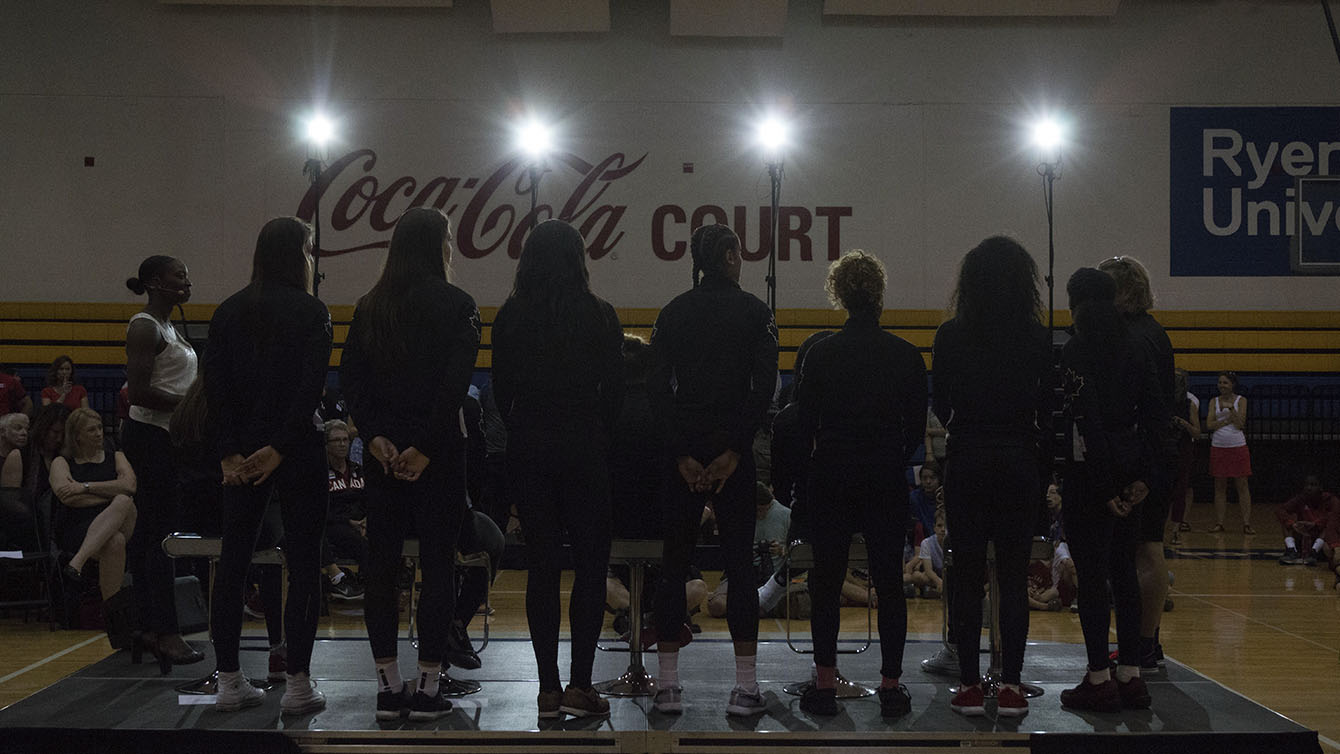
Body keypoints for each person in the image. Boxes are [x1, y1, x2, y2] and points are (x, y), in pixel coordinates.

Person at [341, 207, 480, 722]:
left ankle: (387, 686)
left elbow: (351, 378)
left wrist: (375, 435)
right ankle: (427, 688)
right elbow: (454, 386)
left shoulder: (370, 305)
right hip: (437, 455)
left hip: (383, 456)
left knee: (381, 567)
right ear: (439, 245)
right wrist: (424, 447)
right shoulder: (459, 304)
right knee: (438, 566)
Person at [492, 218, 622, 719]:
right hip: (584, 444)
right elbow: (613, 393)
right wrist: (595, 433)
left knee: (541, 568)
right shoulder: (600, 314)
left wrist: (526, 426)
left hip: (530, 446)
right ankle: (580, 685)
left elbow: (502, 391)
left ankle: (547, 689)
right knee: (590, 566)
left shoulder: (510, 315)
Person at [647, 223, 778, 717]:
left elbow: (657, 389)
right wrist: (735, 452)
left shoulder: (672, 312)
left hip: (683, 455)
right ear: (728, 256)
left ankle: (667, 687)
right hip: (732, 454)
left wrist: (682, 454)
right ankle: (746, 689)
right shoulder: (756, 312)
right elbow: (763, 387)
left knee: (673, 566)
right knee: (740, 569)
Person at [205, 217, 333, 714]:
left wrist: (228, 452)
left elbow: (215, 390)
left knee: (233, 563)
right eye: (309, 249)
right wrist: (280, 447)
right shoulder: (312, 311)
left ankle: (229, 681)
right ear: (298, 253)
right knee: (304, 564)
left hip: (240, 453)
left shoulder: (227, 311)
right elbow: (309, 389)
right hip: (296, 449)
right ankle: (298, 685)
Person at [794, 249, 925, 718]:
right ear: (880, 295)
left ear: (839, 295)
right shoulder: (906, 355)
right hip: (884, 474)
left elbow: (803, 421)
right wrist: (890, 454)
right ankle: (891, 686)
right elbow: (915, 430)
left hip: (832, 472)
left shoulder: (821, 353)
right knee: (889, 582)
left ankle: (824, 685)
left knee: (826, 581)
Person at [932, 236, 1052, 717]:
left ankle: (967, 684)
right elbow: (1047, 404)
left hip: (968, 457)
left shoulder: (951, 334)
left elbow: (942, 402)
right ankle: (1011, 686)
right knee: (1013, 576)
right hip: (1019, 457)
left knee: (966, 576)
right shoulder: (1037, 337)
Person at [1056, 268, 1162, 713]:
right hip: (1132, 471)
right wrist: (1143, 480)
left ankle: (1098, 678)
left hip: (1090, 478)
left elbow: (1086, 423)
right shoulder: (1137, 346)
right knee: (1125, 574)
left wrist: (1103, 489)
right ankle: (1131, 675)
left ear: (1077, 304)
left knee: (1093, 579)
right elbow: (1157, 416)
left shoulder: (1076, 349)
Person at [121, 255, 205, 671]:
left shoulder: (169, 326)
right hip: (150, 436)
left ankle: (147, 625)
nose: (186, 282)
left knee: (151, 534)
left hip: (168, 436)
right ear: (155, 281)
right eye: (179, 276)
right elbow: (138, 393)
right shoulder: (144, 327)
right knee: (160, 535)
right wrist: (191, 406)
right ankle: (166, 632)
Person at [1098, 255, 1177, 670]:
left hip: (1147, 454)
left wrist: (1142, 467)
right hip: (1156, 451)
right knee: (1147, 546)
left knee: (1146, 548)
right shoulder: (1153, 331)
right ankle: (1148, 640)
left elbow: (1147, 406)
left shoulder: (1134, 337)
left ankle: (1144, 642)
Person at [49, 409, 138, 642]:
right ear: (77, 435)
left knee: (124, 501)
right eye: (91, 430)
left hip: (121, 518)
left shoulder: (116, 456)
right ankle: (113, 619)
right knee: (115, 540)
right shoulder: (62, 462)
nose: (99, 433)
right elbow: (67, 497)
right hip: (78, 527)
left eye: (99, 428)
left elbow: (129, 486)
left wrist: (85, 487)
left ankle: (77, 563)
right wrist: (109, 492)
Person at [322, 419, 367, 601]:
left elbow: (369, 500)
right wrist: (348, 522)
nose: (342, 444)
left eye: (345, 440)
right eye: (336, 440)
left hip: (360, 523)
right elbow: (320, 509)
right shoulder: (320, 472)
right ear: (326, 445)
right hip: (334, 524)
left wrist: (367, 520)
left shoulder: (358, 470)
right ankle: (340, 579)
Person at [1207, 371, 1254, 534]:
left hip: (1237, 445)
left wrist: (1231, 409)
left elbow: (1240, 424)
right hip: (1218, 445)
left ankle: (1246, 523)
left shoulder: (1242, 400)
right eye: (1220, 382)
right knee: (1219, 485)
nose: (1222, 385)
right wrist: (1227, 420)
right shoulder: (1213, 401)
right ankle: (1219, 523)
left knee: (1242, 485)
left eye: (1225, 382)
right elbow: (1209, 425)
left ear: (1232, 384)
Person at [1167, 368, 1201, 545]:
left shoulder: (1190, 404)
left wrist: (1184, 424)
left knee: (1181, 490)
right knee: (1162, 489)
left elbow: (1197, 432)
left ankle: (1175, 529)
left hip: (1183, 449)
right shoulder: (1162, 401)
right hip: (1166, 449)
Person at [1276, 474, 1339, 565]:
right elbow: (1281, 510)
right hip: (1305, 534)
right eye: (1307, 485)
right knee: (1287, 523)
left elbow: (1334, 519)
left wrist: (1315, 524)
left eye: (1313, 485)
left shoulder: (1331, 500)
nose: (1309, 488)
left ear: (1320, 487)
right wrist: (1292, 524)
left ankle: (1314, 553)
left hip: (1323, 537)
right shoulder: (1300, 499)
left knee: (1328, 528)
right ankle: (1292, 550)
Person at [906, 507, 947, 599]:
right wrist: (939, 582)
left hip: (950, 576)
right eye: (939, 526)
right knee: (917, 576)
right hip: (935, 577)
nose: (943, 529)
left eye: (946, 526)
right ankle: (940, 589)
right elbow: (928, 570)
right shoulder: (926, 543)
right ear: (934, 527)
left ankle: (938, 590)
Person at [0, 413, 28, 488]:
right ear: (2, 431)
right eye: (18, 428)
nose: (24, 433)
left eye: (27, 429)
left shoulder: (28, 458)